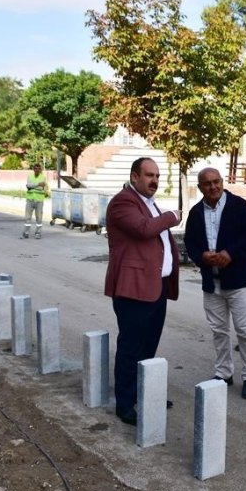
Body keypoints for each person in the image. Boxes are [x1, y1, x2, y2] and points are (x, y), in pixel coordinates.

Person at [104, 157, 182, 426]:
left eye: (157, 176)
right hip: (133, 288)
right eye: (149, 175)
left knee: (148, 346)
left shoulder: (148, 202)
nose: (154, 181)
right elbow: (143, 229)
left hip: (155, 287)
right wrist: (171, 217)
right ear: (134, 176)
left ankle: (145, 393)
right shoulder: (123, 202)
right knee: (131, 347)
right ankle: (125, 404)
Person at [184, 168, 246, 399]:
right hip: (212, 282)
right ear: (200, 187)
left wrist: (231, 253)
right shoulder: (196, 212)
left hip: (239, 282)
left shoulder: (239, 206)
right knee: (219, 331)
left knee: (245, 331)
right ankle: (224, 373)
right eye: (207, 183)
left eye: (216, 181)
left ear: (222, 181)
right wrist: (201, 256)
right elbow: (190, 242)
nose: (213, 187)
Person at [21, 163, 47, 239]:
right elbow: (28, 185)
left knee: (39, 218)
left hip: (39, 200)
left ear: (40, 170)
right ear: (33, 169)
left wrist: (32, 186)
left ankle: (38, 233)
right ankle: (26, 232)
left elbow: (41, 188)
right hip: (30, 199)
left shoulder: (43, 177)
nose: (37, 170)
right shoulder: (30, 176)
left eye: (38, 169)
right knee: (27, 217)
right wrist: (38, 184)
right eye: (35, 168)